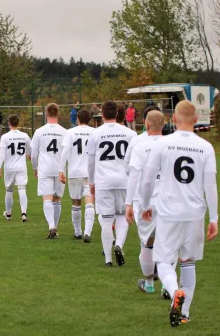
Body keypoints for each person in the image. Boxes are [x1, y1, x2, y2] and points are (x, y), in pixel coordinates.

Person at [139, 101, 218, 327]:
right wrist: (213, 218)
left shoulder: (163, 144)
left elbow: (147, 180)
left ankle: (174, 291)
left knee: (164, 261)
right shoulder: (206, 147)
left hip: (168, 212)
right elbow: (210, 185)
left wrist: (145, 205)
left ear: (174, 119)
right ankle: (184, 313)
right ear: (195, 120)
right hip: (194, 213)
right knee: (188, 261)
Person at [87, 101, 137, 267]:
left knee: (107, 219)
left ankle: (108, 259)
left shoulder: (95, 134)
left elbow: (91, 161)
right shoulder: (130, 133)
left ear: (102, 114)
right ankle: (119, 245)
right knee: (122, 215)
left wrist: (92, 182)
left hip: (104, 181)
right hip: (124, 180)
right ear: (117, 114)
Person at [124, 110, 165, 295]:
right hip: (168, 202)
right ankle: (167, 285)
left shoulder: (140, 145)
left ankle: (149, 285)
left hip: (146, 201)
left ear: (146, 125)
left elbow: (133, 174)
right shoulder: (171, 145)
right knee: (168, 243)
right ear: (164, 125)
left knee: (147, 243)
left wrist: (128, 204)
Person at [31, 103, 67, 238]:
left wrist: (35, 168)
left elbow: (33, 154)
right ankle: (55, 229)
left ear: (46, 114)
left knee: (47, 198)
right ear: (58, 114)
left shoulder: (39, 131)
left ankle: (51, 226)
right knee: (57, 199)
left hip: (45, 168)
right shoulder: (64, 131)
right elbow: (67, 152)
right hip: (59, 169)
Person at [58, 109, 95, 241]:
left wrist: (61, 170)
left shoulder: (70, 132)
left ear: (77, 120)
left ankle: (78, 232)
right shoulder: (94, 132)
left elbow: (65, 151)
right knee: (90, 201)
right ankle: (88, 232)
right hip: (90, 172)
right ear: (90, 120)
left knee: (76, 202)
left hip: (74, 171)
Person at [0, 115, 31, 222]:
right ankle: (24, 213)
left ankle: (9, 214)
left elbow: (2, 153)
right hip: (21, 166)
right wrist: (29, 155)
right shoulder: (25, 135)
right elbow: (31, 149)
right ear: (18, 123)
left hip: (9, 167)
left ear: (9, 124)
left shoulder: (5, 137)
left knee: (9, 189)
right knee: (22, 188)